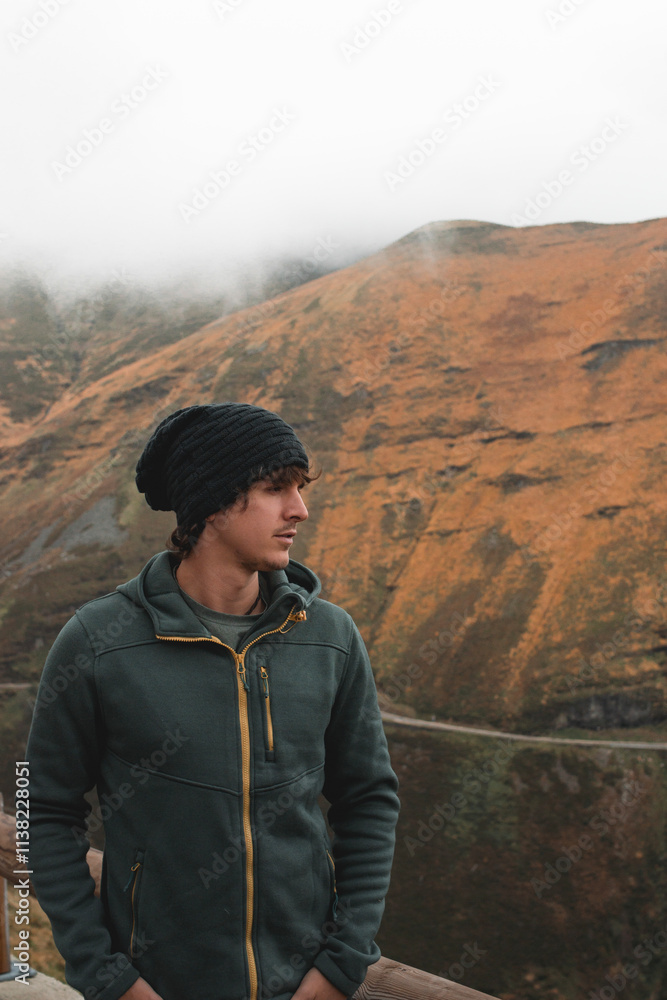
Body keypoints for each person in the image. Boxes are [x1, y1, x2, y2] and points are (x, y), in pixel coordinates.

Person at [26, 402, 400, 1000]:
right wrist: (107, 978)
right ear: (213, 503)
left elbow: (369, 799)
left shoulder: (329, 636)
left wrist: (340, 966)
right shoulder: (97, 641)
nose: (299, 509)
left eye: (299, 489)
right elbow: (42, 811)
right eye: (276, 488)